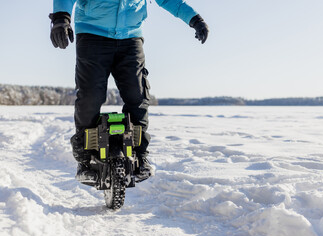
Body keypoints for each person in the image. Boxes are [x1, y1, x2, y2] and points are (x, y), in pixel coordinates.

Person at [49, 0, 209, 182]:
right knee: (90, 96)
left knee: (138, 95)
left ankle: (139, 155)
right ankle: (85, 159)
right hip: (92, 33)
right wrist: (61, 17)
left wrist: (195, 19)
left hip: (130, 37)